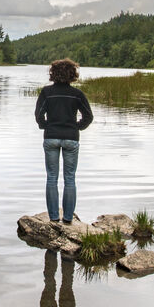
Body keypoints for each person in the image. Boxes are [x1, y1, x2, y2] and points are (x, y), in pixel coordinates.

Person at [34, 58, 92, 224]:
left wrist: (46, 126)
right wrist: (77, 127)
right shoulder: (77, 94)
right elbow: (88, 117)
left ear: (53, 73)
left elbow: (39, 115)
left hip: (51, 137)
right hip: (71, 139)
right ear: (72, 74)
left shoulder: (46, 92)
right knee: (70, 178)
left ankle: (53, 218)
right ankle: (67, 218)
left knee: (52, 177)